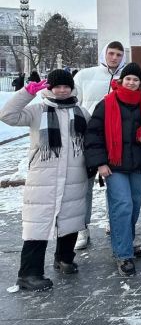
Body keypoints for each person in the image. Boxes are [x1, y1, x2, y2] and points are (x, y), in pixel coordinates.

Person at [0, 70, 90, 291]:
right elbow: (7, 116)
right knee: (38, 224)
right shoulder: (37, 110)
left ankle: (64, 258)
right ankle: (29, 273)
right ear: (49, 88)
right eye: (57, 86)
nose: (61, 90)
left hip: (74, 176)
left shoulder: (80, 112)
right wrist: (26, 93)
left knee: (71, 218)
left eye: (65, 86)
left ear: (71, 88)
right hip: (44, 177)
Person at [84, 63, 141, 276]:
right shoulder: (107, 103)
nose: (132, 83)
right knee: (122, 206)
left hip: (137, 163)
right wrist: (101, 163)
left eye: (136, 80)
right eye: (128, 79)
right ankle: (123, 254)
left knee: (133, 206)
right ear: (122, 80)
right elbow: (93, 134)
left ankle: (125, 242)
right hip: (114, 165)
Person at [73, 41, 126, 251]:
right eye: (111, 53)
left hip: (113, 140)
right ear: (104, 54)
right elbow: (74, 102)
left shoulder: (126, 79)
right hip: (87, 139)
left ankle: (112, 223)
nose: (114, 58)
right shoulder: (85, 75)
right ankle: (82, 229)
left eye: (119, 54)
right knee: (83, 188)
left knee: (114, 185)